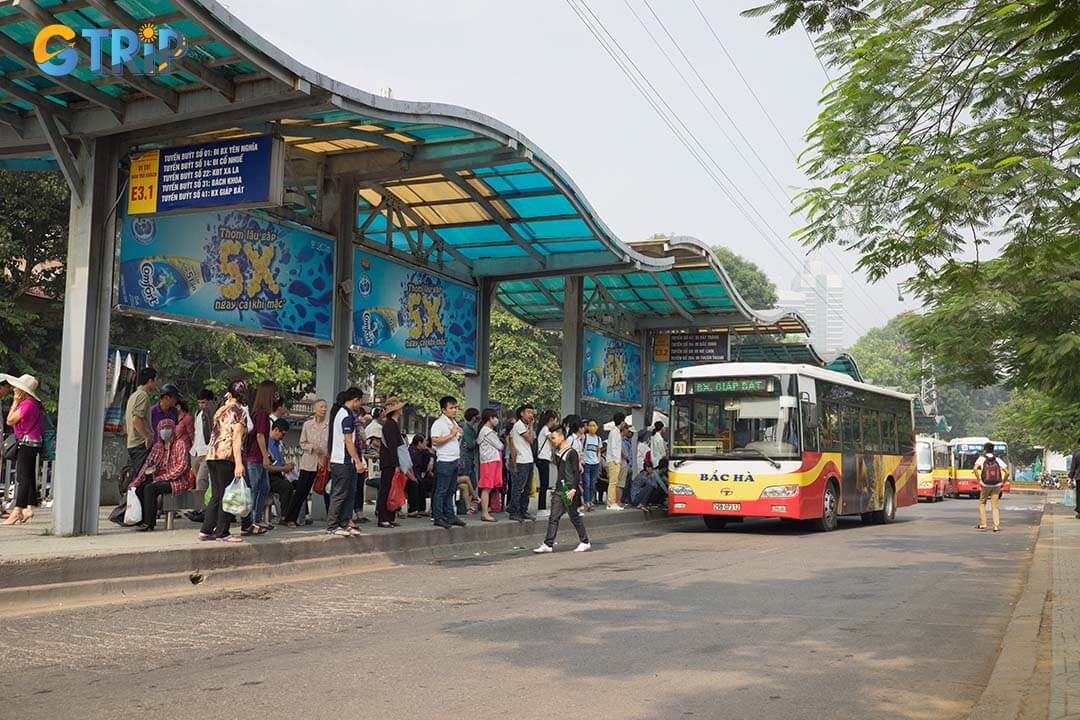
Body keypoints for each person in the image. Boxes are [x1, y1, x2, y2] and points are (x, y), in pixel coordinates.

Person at [199, 379, 249, 543]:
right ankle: (222, 532)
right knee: (227, 495)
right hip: (227, 456)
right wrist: (239, 463)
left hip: (212, 455)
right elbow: (236, 439)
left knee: (217, 494)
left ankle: (206, 530)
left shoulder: (221, 410)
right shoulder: (240, 412)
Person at [533, 418, 591, 554]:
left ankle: (585, 541)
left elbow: (576, 472)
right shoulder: (557, 453)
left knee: (574, 516)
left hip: (568, 489)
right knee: (554, 517)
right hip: (559, 489)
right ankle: (548, 544)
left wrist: (574, 489)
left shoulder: (571, 453)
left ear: (561, 436)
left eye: (553, 438)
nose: (552, 441)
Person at [130, 418, 191, 531]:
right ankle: (142, 520)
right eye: (162, 428)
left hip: (176, 481)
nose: (165, 431)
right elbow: (147, 464)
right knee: (140, 488)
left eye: (168, 428)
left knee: (150, 488)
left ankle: (149, 523)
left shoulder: (179, 444)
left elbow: (182, 466)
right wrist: (136, 481)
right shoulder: (158, 446)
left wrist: (163, 477)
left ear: (173, 430)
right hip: (158, 479)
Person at [2, 374, 44, 525]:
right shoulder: (35, 404)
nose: (14, 390)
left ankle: (17, 510)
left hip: (26, 443)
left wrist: (15, 402)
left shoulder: (27, 404)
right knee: (29, 476)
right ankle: (28, 508)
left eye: (17, 388)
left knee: (22, 477)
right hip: (32, 442)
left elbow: (10, 420)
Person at [326, 387, 365, 537]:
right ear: (355, 400)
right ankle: (332, 525)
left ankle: (344, 522)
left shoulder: (344, 413)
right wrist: (357, 461)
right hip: (342, 461)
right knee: (340, 493)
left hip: (343, 461)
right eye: (360, 401)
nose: (360, 404)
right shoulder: (346, 415)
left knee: (349, 493)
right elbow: (348, 440)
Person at [283, 399, 328, 528]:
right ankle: (290, 518)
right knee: (302, 491)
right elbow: (302, 443)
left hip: (323, 464)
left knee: (327, 491)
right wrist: (312, 448)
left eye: (325, 407)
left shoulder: (329, 426)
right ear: (314, 409)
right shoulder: (308, 425)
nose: (323, 409)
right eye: (321, 407)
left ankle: (333, 519)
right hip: (309, 462)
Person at [242, 380, 277, 535]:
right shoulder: (262, 414)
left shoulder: (257, 413)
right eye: (274, 393)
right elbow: (260, 436)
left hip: (255, 457)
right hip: (255, 458)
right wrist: (265, 456)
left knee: (263, 488)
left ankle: (256, 519)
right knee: (255, 490)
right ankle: (250, 521)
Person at [430, 395, 466, 528]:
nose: (455, 410)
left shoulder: (453, 422)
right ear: (444, 410)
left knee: (451, 490)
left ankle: (450, 515)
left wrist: (457, 434)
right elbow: (434, 440)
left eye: (456, 407)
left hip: (454, 459)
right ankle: (438, 516)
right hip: (445, 461)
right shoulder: (439, 423)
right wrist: (451, 434)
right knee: (442, 490)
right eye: (451, 408)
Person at [124, 367, 158, 489]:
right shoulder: (143, 396)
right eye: (155, 380)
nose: (156, 383)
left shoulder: (133, 396)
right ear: (150, 381)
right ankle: (133, 507)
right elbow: (136, 419)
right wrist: (147, 437)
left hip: (133, 443)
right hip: (140, 445)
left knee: (137, 479)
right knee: (142, 480)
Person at [376, 396, 407, 528]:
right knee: (386, 489)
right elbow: (392, 446)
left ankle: (390, 516)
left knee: (391, 488)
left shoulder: (392, 424)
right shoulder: (390, 425)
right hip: (389, 462)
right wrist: (396, 464)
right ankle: (383, 517)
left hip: (391, 461)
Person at [187, 389, 215, 521]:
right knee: (198, 481)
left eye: (204, 402)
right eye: (199, 403)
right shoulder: (198, 413)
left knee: (201, 481)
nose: (201, 405)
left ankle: (202, 510)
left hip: (207, 451)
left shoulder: (212, 413)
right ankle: (200, 508)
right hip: (196, 451)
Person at [508, 404, 536, 522]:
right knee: (518, 487)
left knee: (528, 488)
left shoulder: (524, 426)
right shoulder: (519, 425)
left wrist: (529, 426)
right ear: (522, 413)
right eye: (528, 412)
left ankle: (523, 510)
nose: (531, 415)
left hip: (528, 460)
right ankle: (514, 511)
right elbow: (530, 440)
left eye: (532, 412)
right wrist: (531, 426)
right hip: (521, 461)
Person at [974, 441, 1009, 532]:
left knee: (982, 503)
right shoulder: (998, 459)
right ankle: (996, 526)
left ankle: (983, 524)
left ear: (985, 450)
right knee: (995, 506)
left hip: (985, 484)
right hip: (997, 484)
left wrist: (979, 480)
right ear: (993, 450)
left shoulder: (981, 459)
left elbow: (975, 469)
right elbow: (1007, 472)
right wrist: (1003, 482)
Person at [476, 408, 503, 522]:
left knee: (488, 487)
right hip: (489, 461)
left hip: (490, 461)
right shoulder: (488, 431)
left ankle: (486, 511)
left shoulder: (485, 430)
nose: (496, 419)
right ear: (490, 418)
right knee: (487, 488)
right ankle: (485, 513)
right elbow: (500, 445)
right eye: (494, 417)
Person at [266, 418, 295, 525]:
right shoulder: (267, 443)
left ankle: (297, 515)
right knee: (286, 486)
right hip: (269, 475)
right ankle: (284, 516)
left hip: (279, 472)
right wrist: (284, 468)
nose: (283, 437)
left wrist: (286, 466)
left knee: (299, 485)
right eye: (282, 434)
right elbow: (267, 466)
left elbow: (279, 462)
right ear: (276, 430)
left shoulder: (278, 444)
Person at [535, 410, 558, 512]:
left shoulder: (543, 429)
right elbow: (554, 441)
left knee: (544, 483)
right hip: (542, 459)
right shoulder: (545, 429)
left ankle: (542, 506)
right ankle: (541, 507)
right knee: (544, 484)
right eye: (555, 419)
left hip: (543, 459)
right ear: (551, 419)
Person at [406, 434, 434, 518]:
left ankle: (422, 509)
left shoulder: (422, 452)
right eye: (424, 442)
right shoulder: (411, 452)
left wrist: (431, 457)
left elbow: (426, 467)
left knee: (428, 483)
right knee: (414, 483)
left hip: (418, 475)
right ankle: (412, 510)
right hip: (409, 475)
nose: (426, 443)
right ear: (419, 443)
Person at [459, 407, 481, 514]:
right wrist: (476, 441)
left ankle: (468, 504)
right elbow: (471, 445)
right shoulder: (467, 429)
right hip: (466, 458)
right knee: (468, 480)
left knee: (472, 482)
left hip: (469, 457)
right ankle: (467, 503)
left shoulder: (470, 428)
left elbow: (470, 444)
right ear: (473, 417)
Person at [605, 413, 625, 510]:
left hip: (614, 460)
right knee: (613, 482)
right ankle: (610, 503)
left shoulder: (615, 431)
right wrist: (617, 461)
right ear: (621, 422)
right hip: (614, 461)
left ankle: (612, 502)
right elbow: (613, 448)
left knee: (614, 482)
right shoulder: (614, 432)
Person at [582, 420, 602, 511]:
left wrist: (598, 460)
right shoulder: (584, 437)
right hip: (586, 463)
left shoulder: (598, 439)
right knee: (586, 483)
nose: (592, 427)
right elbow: (581, 448)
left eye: (594, 425)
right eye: (590, 425)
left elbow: (599, 450)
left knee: (592, 484)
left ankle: (590, 501)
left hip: (595, 464)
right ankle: (586, 502)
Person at [1070, 437, 1080, 519]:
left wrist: (1070, 477)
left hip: (1078, 477)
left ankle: (1079, 512)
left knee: (1079, 494)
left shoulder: (1076, 453)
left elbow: (1073, 467)